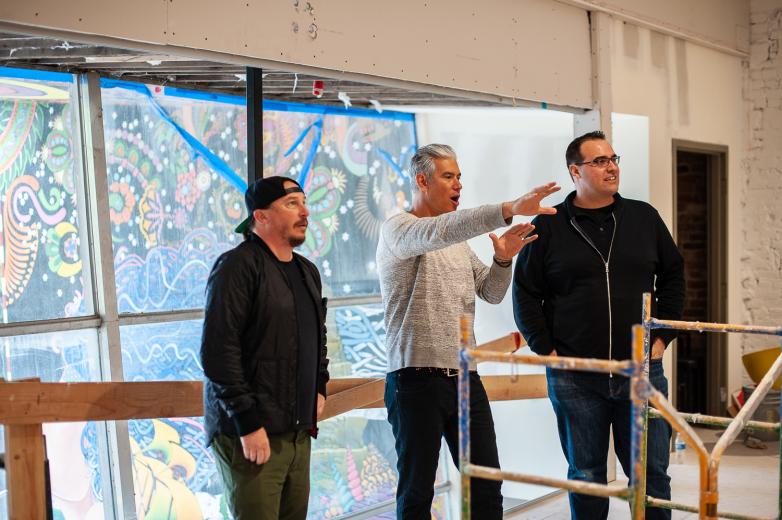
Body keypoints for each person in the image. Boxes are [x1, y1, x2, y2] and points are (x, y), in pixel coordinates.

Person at [377, 143, 561, 519]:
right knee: (416, 492)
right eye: (449, 176)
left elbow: (491, 292)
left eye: (459, 176)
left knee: (486, 484)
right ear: (421, 181)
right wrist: (508, 209)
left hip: (465, 379)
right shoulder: (399, 229)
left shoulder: (456, 243)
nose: (458, 184)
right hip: (415, 380)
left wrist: (503, 258)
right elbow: (440, 231)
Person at [512, 131, 685, 519]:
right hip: (576, 375)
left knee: (651, 475)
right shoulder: (549, 225)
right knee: (586, 475)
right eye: (600, 161)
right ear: (576, 171)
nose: (612, 167)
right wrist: (547, 349)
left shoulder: (643, 217)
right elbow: (525, 292)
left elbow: (673, 277)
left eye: (614, 159)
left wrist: (663, 337)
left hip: (640, 370)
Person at [201, 176, 330, 520]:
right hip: (252, 435)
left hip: (297, 433)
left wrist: (320, 385)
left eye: (304, 203)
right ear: (261, 216)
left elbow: (317, 336)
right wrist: (247, 422)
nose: (305, 212)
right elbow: (218, 352)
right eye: (292, 204)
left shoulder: (307, 272)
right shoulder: (236, 267)